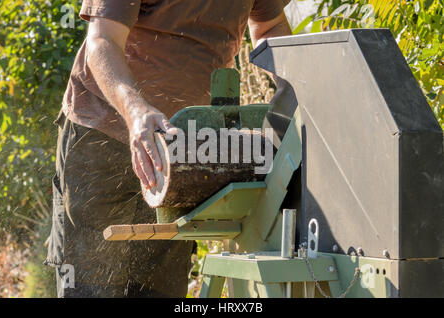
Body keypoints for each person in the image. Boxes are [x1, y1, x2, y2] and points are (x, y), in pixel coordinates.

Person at [44, 0, 292, 298]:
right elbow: (102, 39)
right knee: (90, 287)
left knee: (161, 289)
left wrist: (297, 89)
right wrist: (135, 112)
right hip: (101, 137)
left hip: (184, 148)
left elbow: (269, 26)